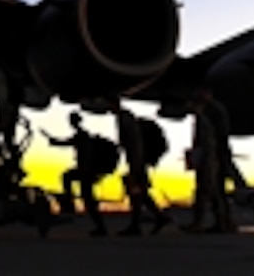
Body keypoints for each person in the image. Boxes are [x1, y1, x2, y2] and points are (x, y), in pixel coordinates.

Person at [111, 99, 172, 236]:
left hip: (137, 161)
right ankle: (156, 217)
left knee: (136, 192)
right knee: (140, 192)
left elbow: (134, 142)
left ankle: (138, 224)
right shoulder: (126, 117)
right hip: (137, 160)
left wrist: (137, 163)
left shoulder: (125, 119)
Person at [43, 112, 106, 236]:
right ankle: (99, 225)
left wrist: (54, 141)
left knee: (86, 196)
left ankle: (69, 203)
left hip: (86, 171)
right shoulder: (82, 135)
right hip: (86, 170)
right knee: (85, 195)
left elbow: (67, 143)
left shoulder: (82, 136)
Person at [183, 90, 227, 233]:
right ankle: (221, 223)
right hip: (209, 160)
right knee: (213, 193)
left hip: (208, 161)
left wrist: (202, 159)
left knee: (205, 192)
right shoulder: (203, 119)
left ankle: (200, 222)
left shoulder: (205, 121)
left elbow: (208, 143)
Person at [197, 87, 236, 232]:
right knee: (218, 189)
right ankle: (225, 222)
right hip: (215, 154)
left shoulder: (213, 112)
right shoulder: (209, 111)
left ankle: (222, 222)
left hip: (215, 155)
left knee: (215, 189)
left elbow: (218, 136)